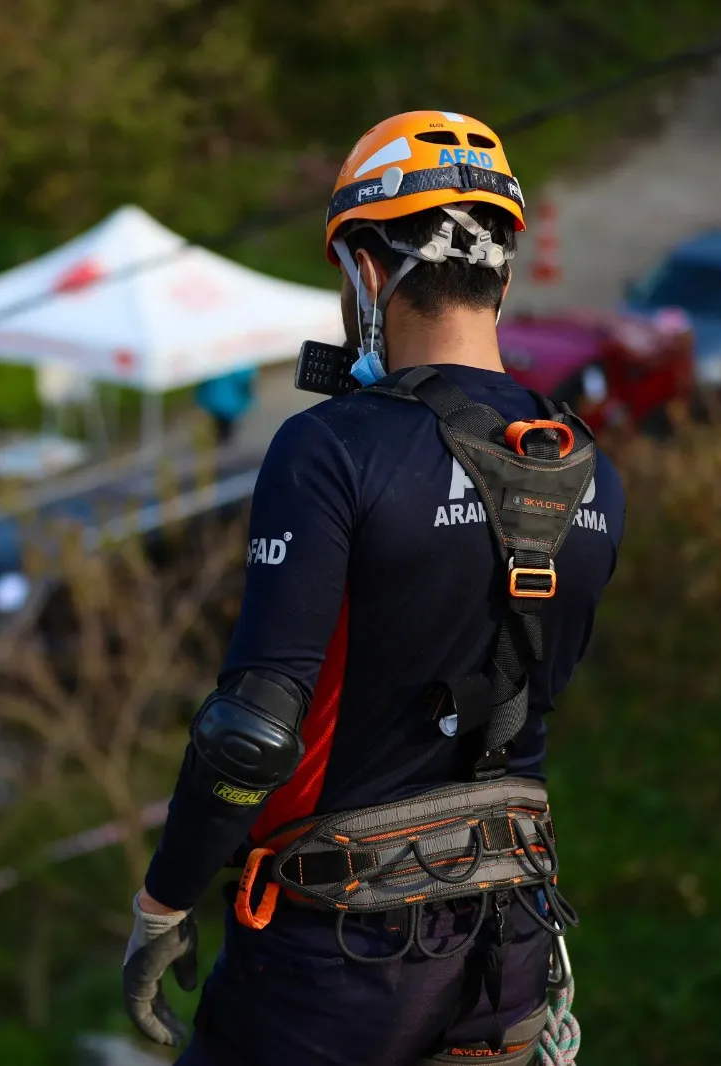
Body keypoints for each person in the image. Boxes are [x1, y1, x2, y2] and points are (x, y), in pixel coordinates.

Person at [121, 110, 626, 1066]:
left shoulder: (330, 448)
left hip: (337, 964)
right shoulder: (588, 470)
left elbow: (253, 728)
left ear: (365, 269)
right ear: (503, 270)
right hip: (511, 947)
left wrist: (166, 899)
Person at [194, 366, 258, 445]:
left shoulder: (239, 405)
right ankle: (224, 437)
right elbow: (246, 378)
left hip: (217, 397)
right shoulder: (238, 363)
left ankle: (223, 437)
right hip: (227, 397)